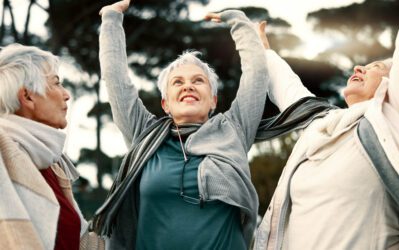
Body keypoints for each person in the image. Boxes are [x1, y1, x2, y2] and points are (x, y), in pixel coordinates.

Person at [91, 0, 269, 249]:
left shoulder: (233, 130)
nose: (188, 86)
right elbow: (116, 80)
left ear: (213, 101)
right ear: (165, 104)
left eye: (198, 81)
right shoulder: (145, 134)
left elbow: (257, 76)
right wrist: (111, 20)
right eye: (178, 82)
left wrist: (239, 24)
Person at [253, 22, 399, 249]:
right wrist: (260, 47)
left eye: (376, 66)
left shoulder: (392, 123)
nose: (359, 68)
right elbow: (285, 84)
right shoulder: (320, 121)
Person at [0, 44, 103, 249]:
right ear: (27, 96)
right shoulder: (4, 156)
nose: (66, 94)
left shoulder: (50, 165)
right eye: (56, 83)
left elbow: (80, 242)